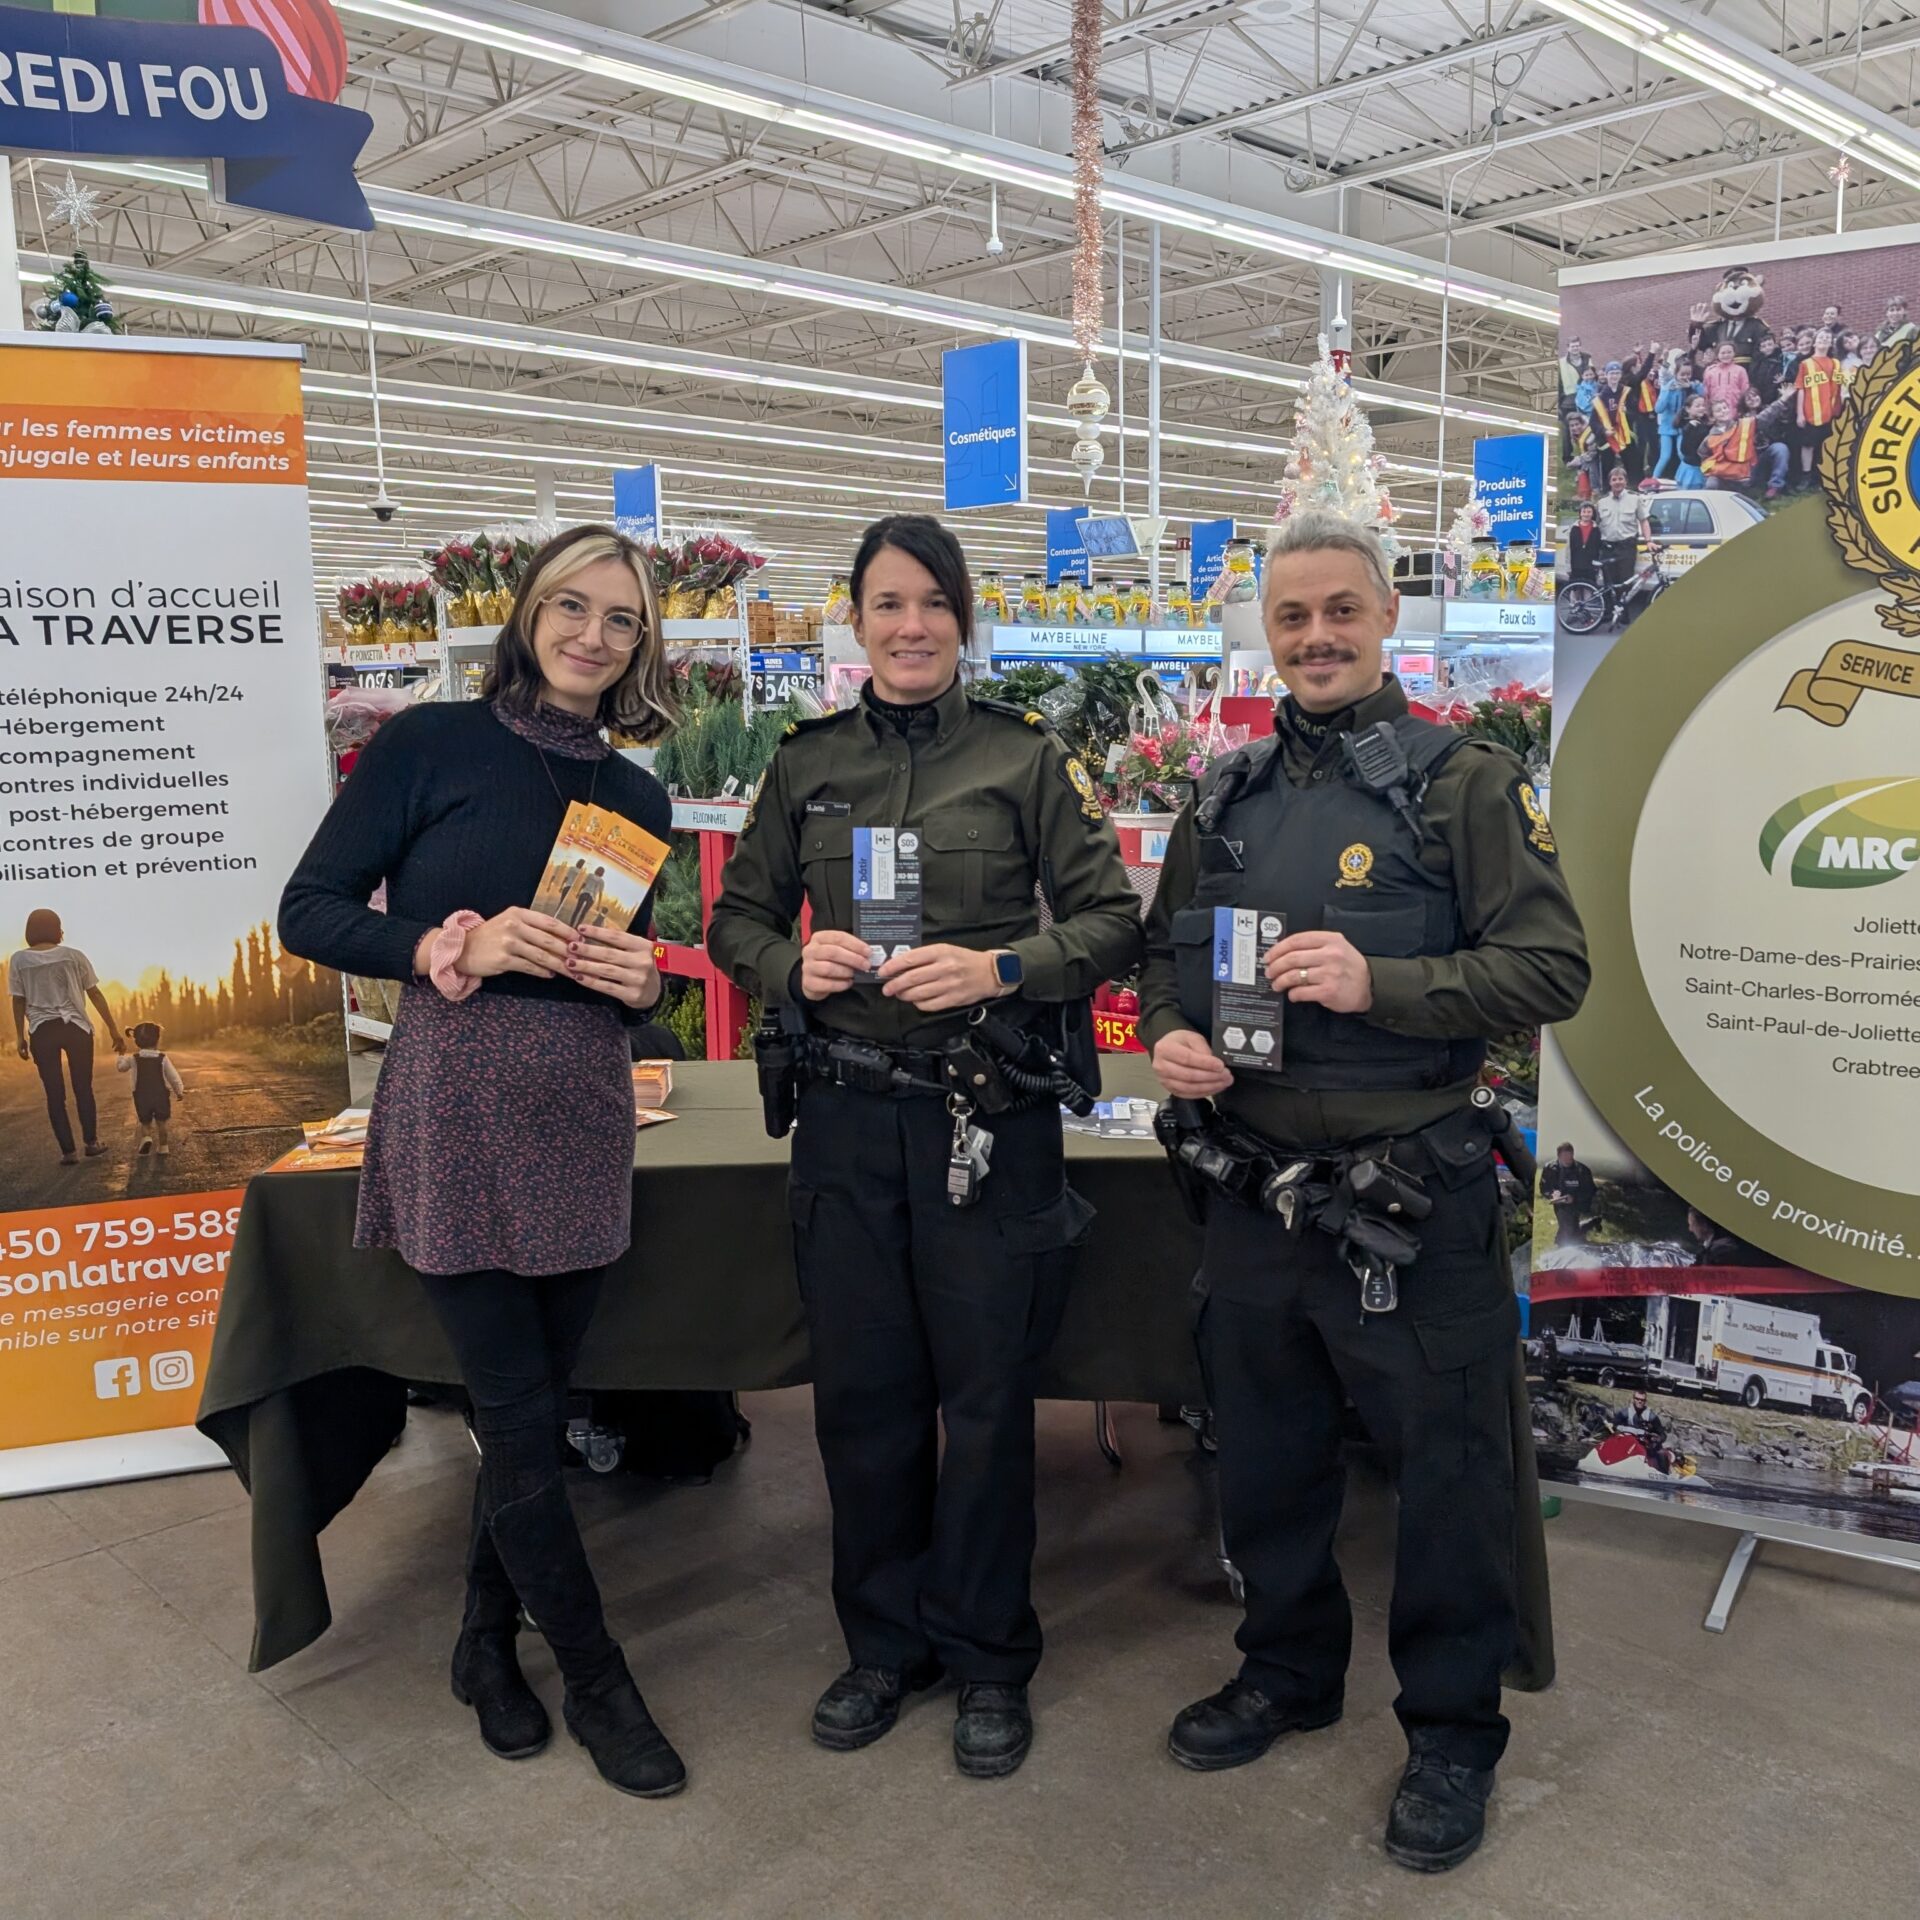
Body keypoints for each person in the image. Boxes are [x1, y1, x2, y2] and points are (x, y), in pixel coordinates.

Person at [1140, 512, 1588, 1873]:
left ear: (1388, 617)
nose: (1317, 637)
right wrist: (1169, 1033)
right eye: (1292, 617)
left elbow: (1551, 970)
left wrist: (1381, 984)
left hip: (1414, 1193)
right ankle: (1286, 1671)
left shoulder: (1463, 784)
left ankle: (1452, 1734)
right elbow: (1169, 956)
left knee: (1444, 1475)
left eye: (1342, 611)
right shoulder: (1224, 793)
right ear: (1264, 633)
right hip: (1253, 1187)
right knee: (1265, 1454)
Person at [709, 513, 1142, 1781]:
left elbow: (1110, 920)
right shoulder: (804, 765)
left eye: (932, 605)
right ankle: (883, 1647)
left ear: (964, 619)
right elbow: (738, 913)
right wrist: (795, 960)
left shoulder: (1022, 761)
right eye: (887, 605)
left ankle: (991, 1658)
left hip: (984, 1120)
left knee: (991, 1403)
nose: (911, 627)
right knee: (864, 1401)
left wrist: (1004, 963)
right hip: (844, 1122)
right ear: (854, 621)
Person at [279, 525, 686, 1800]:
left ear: (640, 647)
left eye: (620, 620)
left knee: (534, 1421)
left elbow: (623, 978)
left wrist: (641, 983)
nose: (591, 636)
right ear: (525, 613)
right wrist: (444, 947)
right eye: (572, 607)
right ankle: (598, 1677)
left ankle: (479, 1647)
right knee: (515, 1418)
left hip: (581, 1120)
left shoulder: (637, 799)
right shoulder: (432, 746)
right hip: (453, 1117)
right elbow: (311, 911)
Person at [8, 909, 125, 1165]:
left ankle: (68, 1152)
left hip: (42, 1030)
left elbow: (18, 1000)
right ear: (57, 928)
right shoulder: (74, 956)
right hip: (77, 1028)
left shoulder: (19, 960)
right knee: (83, 1087)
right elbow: (95, 994)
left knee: (54, 1093)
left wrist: (20, 1036)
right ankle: (92, 1143)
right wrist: (114, 1029)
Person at [117, 1020, 185, 1159]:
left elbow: (121, 1068)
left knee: (145, 1121)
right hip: (160, 1095)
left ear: (137, 1042)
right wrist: (179, 1091)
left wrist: (121, 1054)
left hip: (141, 1096)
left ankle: (147, 1137)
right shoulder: (162, 1057)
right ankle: (164, 1147)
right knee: (161, 1122)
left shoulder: (134, 1058)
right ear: (157, 1040)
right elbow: (173, 1076)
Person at [1793, 328, 1844, 490]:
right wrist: (1799, 413)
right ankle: (1805, 476)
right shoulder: (1805, 364)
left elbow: (1841, 387)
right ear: (1815, 341)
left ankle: (1821, 478)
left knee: (1825, 446)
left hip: (1831, 412)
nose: (1824, 339)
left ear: (1831, 343)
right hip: (1810, 412)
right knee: (1807, 445)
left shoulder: (1836, 363)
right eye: (1821, 337)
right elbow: (1801, 389)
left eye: (1827, 337)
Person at [1594, 467, 1647, 600]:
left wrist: (1649, 540)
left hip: (1626, 548)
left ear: (1625, 481)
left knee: (1626, 581)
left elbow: (1644, 521)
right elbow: (1595, 525)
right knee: (1608, 582)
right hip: (1607, 548)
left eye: (1620, 479)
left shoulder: (1635, 499)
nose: (1617, 482)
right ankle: (1607, 612)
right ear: (1610, 482)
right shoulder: (1601, 503)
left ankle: (1623, 611)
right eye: (1614, 479)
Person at [1588, 364, 1639, 487]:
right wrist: (1603, 431)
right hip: (1608, 438)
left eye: (1617, 373)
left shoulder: (1627, 392)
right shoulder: (1600, 397)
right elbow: (1593, 422)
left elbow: (1636, 413)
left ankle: (1634, 487)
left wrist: (1628, 412)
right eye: (1611, 373)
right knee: (1607, 466)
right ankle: (1607, 490)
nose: (1614, 376)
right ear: (1606, 375)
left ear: (1620, 375)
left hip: (1625, 434)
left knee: (1632, 463)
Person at [1538, 1142, 1597, 1245]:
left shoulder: (1582, 1170)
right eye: (1564, 1157)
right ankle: (1562, 1244)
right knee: (1567, 1225)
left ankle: (1588, 1225)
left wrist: (1574, 1198)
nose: (1567, 1160)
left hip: (1579, 1202)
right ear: (1558, 1156)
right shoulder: (1550, 1168)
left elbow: (1590, 1191)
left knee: (1573, 1227)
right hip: (1561, 1203)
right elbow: (1544, 1188)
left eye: (1570, 1157)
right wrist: (1552, 1193)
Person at [1701, 399, 1758, 493]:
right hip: (1720, 477)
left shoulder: (1744, 425)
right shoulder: (1709, 439)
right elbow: (1703, 456)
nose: (1723, 411)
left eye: (1725, 408)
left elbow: (1766, 416)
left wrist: (1782, 400)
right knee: (1711, 485)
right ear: (1712, 417)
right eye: (1719, 410)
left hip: (1742, 476)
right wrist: (1711, 470)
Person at [1702, 341, 1750, 419]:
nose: (1726, 355)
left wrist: (1743, 410)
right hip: (1716, 413)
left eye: (1729, 352)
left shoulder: (1740, 370)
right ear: (1717, 355)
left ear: (1734, 353)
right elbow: (1706, 393)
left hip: (1736, 413)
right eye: (1723, 353)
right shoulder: (1710, 371)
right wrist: (1708, 412)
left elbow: (1745, 391)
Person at [1674, 393, 1712, 489]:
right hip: (1692, 468)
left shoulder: (1703, 423)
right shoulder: (1689, 426)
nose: (1701, 408)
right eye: (1697, 406)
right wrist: (1688, 430)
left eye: (1703, 405)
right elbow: (1685, 450)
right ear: (1688, 409)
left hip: (1701, 466)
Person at [1564, 503, 1602, 586]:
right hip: (1576, 564)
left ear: (1592, 514)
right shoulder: (1573, 528)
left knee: (1589, 589)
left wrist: (1599, 568)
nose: (1586, 514)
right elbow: (1568, 548)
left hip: (1591, 565)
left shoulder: (1597, 529)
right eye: (1584, 512)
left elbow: (1599, 549)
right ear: (1580, 513)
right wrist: (1568, 566)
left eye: (1589, 512)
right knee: (1574, 589)